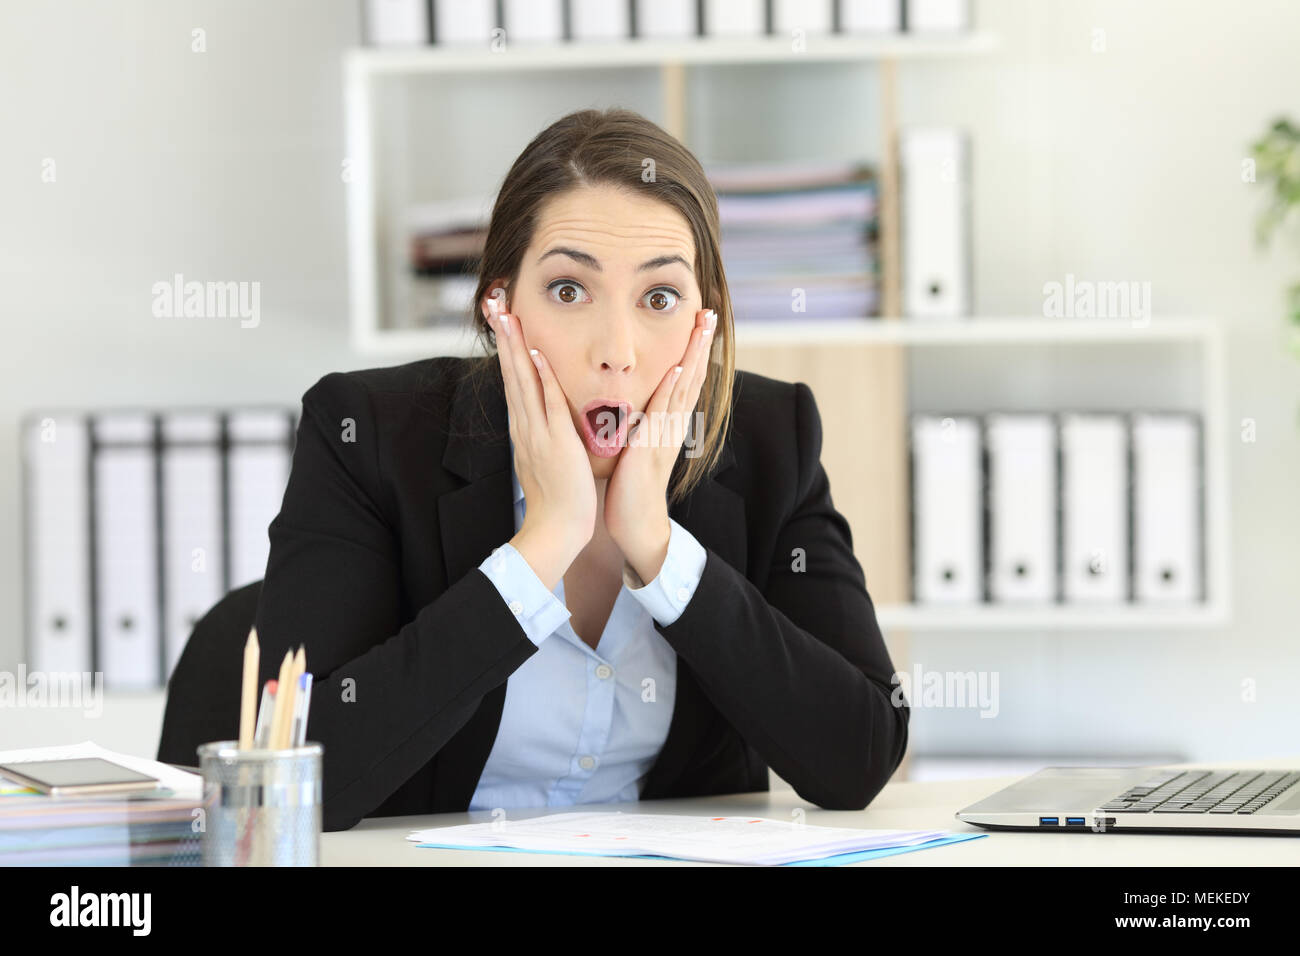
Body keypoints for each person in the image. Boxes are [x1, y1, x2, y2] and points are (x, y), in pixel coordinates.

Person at [253, 107, 908, 832]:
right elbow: (297, 775)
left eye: (659, 298)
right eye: (569, 290)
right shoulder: (367, 434)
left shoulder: (768, 439)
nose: (617, 350)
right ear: (499, 307)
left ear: (704, 322)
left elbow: (862, 755)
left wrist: (659, 551)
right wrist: (544, 544)